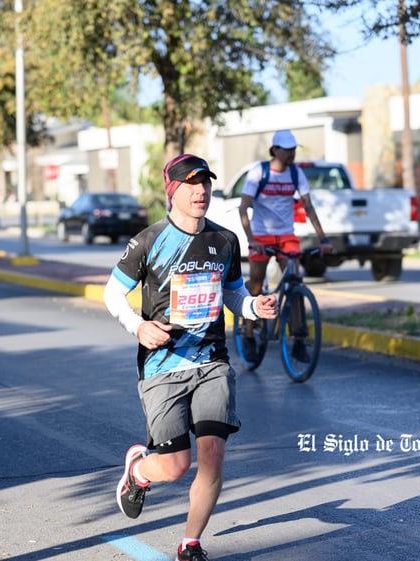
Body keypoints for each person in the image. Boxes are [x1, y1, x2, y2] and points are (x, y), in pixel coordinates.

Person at [104, 154, 277, 561]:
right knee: (175, 466)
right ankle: (139, 470)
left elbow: (232, 293)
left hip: (212, 361)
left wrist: (254, 307)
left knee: (213, 454)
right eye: (191, 184)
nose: (201, 191)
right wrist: (138, 327)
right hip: (163, 365)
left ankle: (190, 543)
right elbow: (113, 294)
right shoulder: (148, 241)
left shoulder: (224, 241)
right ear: (173, 190)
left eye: (206, 184)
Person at [238, 129, 332, 362]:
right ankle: (249, 334)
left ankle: (299, 339)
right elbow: (243, 208)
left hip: (286, 236)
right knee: (257, 285)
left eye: (293, 149)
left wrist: (324, 239)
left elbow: (308, 207)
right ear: (275, 150)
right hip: (261, 236)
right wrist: (251, 239)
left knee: (294, 281)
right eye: (287, 149)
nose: (291, 153)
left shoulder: (296, 173)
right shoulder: (259, 172)